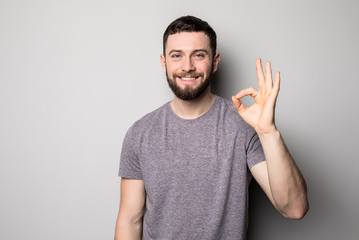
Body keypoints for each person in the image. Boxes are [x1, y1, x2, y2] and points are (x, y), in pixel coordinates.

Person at [114, 15, 309, 240]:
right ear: (164, 62)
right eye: (177, 56)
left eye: (198, 55)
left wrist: (268, 132)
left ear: (215, 62)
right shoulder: (140, 133)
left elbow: (294, 208)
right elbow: (130, 220)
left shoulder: (242, 125)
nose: (187, 67)